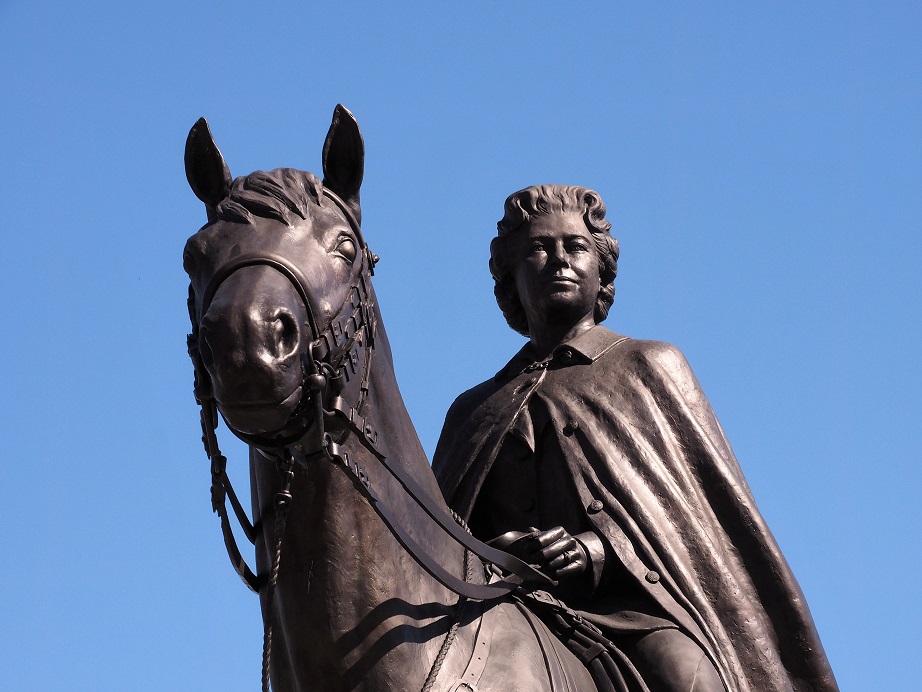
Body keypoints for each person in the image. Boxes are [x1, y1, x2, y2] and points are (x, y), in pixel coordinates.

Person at [432, 185, 837, 691]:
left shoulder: (647, 366)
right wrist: (498, 552)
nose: (559, 259)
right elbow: (439, 539)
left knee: (686, 677)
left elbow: (691, 520)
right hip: (506, 610)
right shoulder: (473, 410)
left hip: (632, 612)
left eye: (576, 247)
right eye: (538, 248)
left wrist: (598, 550)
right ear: (510, 275)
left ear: (601, 269)